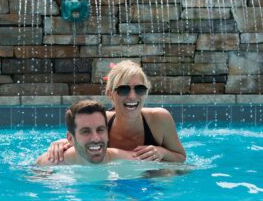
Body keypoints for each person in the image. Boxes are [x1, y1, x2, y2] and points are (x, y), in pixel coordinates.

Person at [47, 60, 186, 163]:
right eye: (123, 90)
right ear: (110, 94)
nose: (132, 96)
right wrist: (60, 143)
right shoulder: (101, 121)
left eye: (140, 89)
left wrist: (162, 152)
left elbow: (181, 158)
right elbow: (81, 139)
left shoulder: (159, 119)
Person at [36, 99, 134, 165]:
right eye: (86, 131)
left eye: (100, 130)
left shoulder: (129, 162)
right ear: (70, 138)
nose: (96, 138)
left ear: (107, 133)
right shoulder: (49, 166)